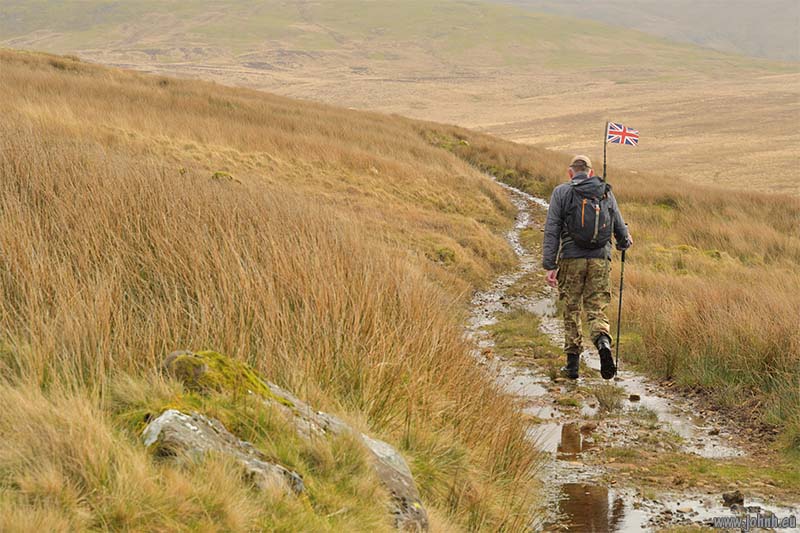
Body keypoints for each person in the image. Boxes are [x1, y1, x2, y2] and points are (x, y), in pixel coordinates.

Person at [542, 155, 632, 380]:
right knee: (596, 309)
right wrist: (624, 243)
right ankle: (602, 342)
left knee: (571, 308)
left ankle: (572, 366)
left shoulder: (561, 192)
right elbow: (620, 228)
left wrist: (550, 265)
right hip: (600, 260)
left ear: (570, 172)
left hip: (571, 259)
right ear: (591, 173)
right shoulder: (605, 192)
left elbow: (552, 229)